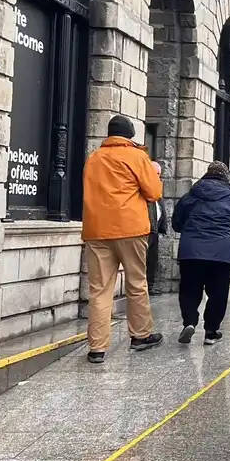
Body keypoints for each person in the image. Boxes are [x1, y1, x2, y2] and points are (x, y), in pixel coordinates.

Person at [81, 115, 165, 364]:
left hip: (97, 230)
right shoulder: (137, 157)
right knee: (136, 283)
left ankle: (97, 348)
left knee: (99, 289)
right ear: (130, 135)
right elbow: (154, 192)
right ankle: (140, 335)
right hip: (131, 229)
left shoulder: (94, 158)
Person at [171, 161, 230, 345]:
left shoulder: (191, 195)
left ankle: (189, 322)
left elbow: (176, 221)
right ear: (225, 177)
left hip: (192, 251)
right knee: (218, 292)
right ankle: (211, 331)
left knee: (190, 289)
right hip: (221, 252)